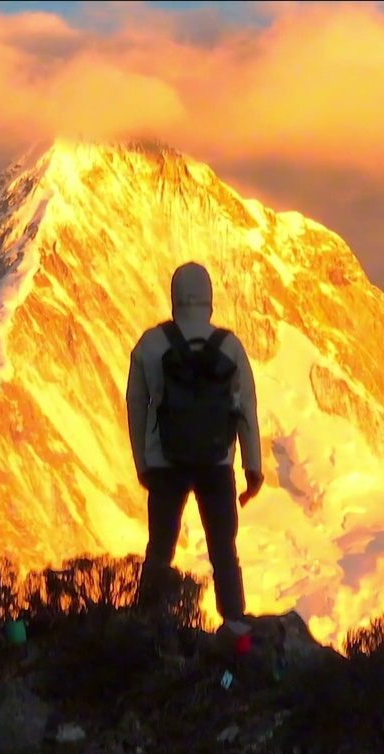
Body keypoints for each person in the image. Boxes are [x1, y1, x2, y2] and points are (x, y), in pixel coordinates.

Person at [125, 261, 264, 636]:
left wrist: (143, 463)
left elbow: (136, 405)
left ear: (174, 298)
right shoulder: (229, 346)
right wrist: (252, 467)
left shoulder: (151, 344)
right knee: (223, 549)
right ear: (209, 299)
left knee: (160, 548)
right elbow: (246, 408)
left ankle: (145, 622)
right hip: (217, 462)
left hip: (165, 463)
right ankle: (234, 623)